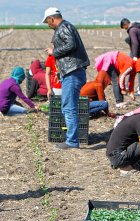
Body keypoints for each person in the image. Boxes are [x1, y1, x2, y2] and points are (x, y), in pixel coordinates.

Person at [43, 7, 90, 150]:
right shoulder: (67, 26)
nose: (48, 25)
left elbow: (71, 44)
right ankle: (71, 139)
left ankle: (72, 141)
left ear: (52, 18)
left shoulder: (64, 27)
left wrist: (54, 52)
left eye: (47, 22)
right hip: (71, 72)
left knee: (69, 108)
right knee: (68, 107)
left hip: (73, 72)